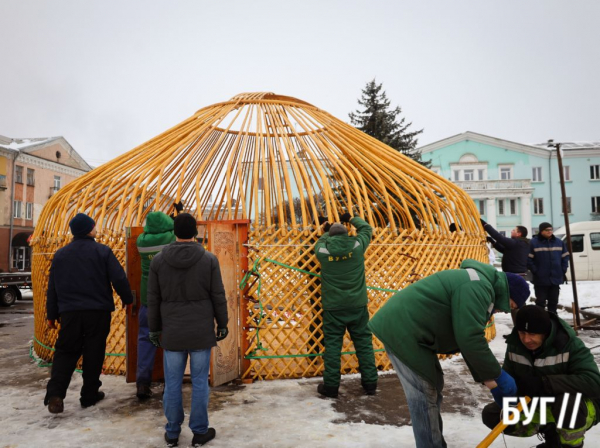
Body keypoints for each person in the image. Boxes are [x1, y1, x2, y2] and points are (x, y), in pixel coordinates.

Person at [368, 259, 531, 448]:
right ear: (508, 293)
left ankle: (433, 442)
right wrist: (497, 375)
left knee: (433, 387)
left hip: (413, 332)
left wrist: (490, 380)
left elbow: (465, 337)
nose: (504, 311)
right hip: (403, 330)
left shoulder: (479, 284)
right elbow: (470, 337)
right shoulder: (478, 287)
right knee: (424, 394)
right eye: (510, 305)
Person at [147, 213, 228, 447]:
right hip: (201, 330)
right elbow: (218, 295)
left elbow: (153, 298)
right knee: (200, 382)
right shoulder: (209, 259)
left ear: (174, 231)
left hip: (172, 332)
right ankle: (200, 432)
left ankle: (172, 432)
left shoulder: (159, 261)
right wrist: (222, 323)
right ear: (195, 232)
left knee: (172, 383)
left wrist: (154, 329)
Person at [44, 213, 133, 414]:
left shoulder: (61, 254)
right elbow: (119, 278)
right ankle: (89, 395)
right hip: (97, 312)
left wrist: (51, 314)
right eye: (94, 226)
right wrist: (128, 299)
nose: (96, 228)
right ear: (89, 229)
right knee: (94, 352)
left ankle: (56, 394)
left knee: (65, 353)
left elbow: (53, 288)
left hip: (70, 314)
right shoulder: (102, 251)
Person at [482, 305, 600, 447]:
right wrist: (501, 385)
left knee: (567, 404)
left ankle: (570, 445)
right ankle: (551, 435)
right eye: (522, 333)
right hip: (540, 406)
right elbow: (510, 377)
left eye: (532, 334)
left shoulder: (570, 344)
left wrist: (544, 383)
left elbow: (594, 382)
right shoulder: (515, 345)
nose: (526, 339)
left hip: (578, 408)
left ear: (545, 332)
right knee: (492, 414)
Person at [314, 212, 378, 398]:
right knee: (364, 344)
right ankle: (370, 383)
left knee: (333, 346)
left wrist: (326, 231)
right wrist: (351, 218)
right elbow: (366, 229)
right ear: (347, 234)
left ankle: (331, 387)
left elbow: (320, 242)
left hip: (333, 307)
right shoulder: (357, 246)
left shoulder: (323, 251)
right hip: (357, 306)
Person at [135, 211, 175, 399]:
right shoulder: (172, 238)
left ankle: (142, 383)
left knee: (145, 339)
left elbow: (145, 231)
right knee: (171, 342)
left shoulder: (141, 241)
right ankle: (170, 383)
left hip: (147, 298)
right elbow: (179, 231)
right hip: (169, 298)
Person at [481, 220, 531, 327]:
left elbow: (500, 237)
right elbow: (505, 250)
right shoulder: (521, 244)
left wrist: (486, 226)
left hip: (515, 278)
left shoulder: (517, 243)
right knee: (517, 306)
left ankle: (520, 330)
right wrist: (493, 242)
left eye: (514, 230)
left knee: (516, 305)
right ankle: (519, 330)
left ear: (519, 234)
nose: (511, 231)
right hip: (517, 276)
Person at [528, 222, 570, 315]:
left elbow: (565, 256)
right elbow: (528, 259)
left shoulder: (559, 242)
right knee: (540, 302)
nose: (549, 232)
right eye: (547, 230)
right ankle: (541, 321)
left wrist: (563, 269)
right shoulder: (534, 243)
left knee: (553, 301)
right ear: (541, 231)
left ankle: (553, 320)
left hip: (555, 278)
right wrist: (535, 271)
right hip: (540, 279)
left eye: (551, 229)